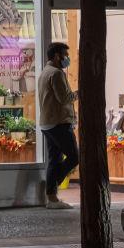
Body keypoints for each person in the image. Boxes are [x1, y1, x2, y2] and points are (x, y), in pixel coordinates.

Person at [37, 42, 77, 209]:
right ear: (56, 56)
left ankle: (52, 198)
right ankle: (52, 186)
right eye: (64, 56)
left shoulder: (45, 72)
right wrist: (79, 94)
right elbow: (64, 98)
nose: (67, 59)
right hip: (59, 123)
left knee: (55, 159)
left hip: (47, 123)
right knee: (75, 157)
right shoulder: (57, 73)